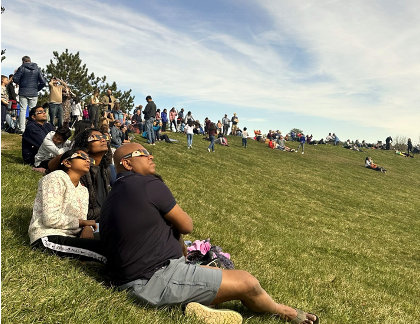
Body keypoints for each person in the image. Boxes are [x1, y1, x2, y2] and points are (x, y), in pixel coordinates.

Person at [100, 143, 319, 324]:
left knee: (215, 270)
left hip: (139, 278)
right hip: (153, 281)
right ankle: (282, 311)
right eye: (143, 153)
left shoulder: (113, 195)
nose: (150, 156)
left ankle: (197, 304)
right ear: (127, 163)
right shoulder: (147, 183)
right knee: (247, 282)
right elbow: (186, 225)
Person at [28, 148, 106, 263]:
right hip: (48, 236)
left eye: (89, 158)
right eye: (82, 157)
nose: (88, 160)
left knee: (116, 237)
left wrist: (87, 227)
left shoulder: (83, 190)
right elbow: (50, 219)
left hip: (72, 237)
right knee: (106, 251)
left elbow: (82, 219)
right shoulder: (55, 178)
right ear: (67, 162)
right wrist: (83, 223)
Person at [72, 128, 112, 222]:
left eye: (104, 137)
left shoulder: (106, 170)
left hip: (103, 219)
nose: (103, 140)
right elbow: (79, 212)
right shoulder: (79, 170)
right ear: (86, 147)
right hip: (86, 223)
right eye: (96, 137)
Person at [13, 56, 47, 133]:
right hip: (34, 92)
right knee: (34, 111)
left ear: (23, 61)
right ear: (30, 61)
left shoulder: (21, 68)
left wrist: (16, 73)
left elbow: (15, 79)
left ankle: (22, 129)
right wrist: (37, 89)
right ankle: (33, 128)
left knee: (23, 110)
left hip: (23, 92)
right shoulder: (37, 69)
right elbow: (43, 82)